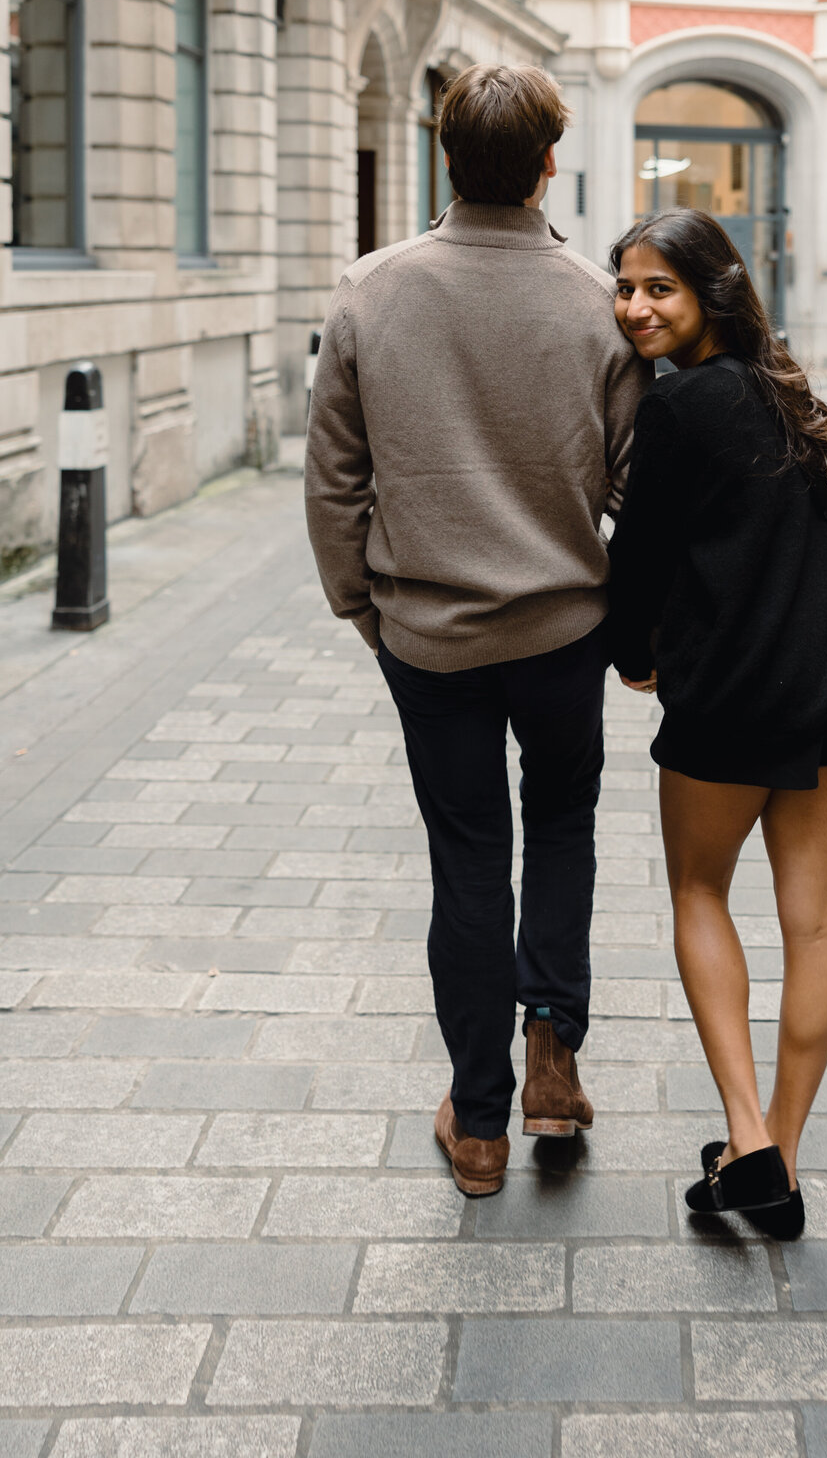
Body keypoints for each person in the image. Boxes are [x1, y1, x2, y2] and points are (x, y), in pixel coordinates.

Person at [305, 65, 648, 1197]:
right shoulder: (599, 301)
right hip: (562, 633)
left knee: (466, 859)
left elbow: (333, 487)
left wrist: (364, 606)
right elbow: (639, 493)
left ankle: (483, 1123)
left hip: (429, 638)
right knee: (559, 827)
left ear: (443, 153)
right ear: (550, 162)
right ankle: (552, 1045)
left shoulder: (369, 290)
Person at [605, 207, 827, 1237]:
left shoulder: (681, 407)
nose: (636, 307)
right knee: (813, 921)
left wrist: (634, 657)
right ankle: (778, 1152)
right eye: (626, 287)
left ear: (710, 292)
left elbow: (636, 562)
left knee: (697, 889)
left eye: (658, 289)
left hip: (732, 688)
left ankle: (750, 1137)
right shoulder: (777, 385)